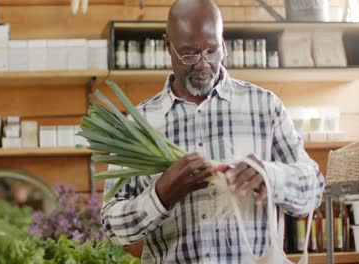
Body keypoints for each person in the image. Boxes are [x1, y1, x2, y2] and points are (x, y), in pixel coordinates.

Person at [101, 0, 325, 262]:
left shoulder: (264, 106)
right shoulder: (138, 125)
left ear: (223, 43)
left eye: (212, 50)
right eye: (190, 54)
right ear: (167, 46)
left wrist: (270, 176)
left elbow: (313, 189)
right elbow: (112, 227)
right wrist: (161, 196)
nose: (203, 64)